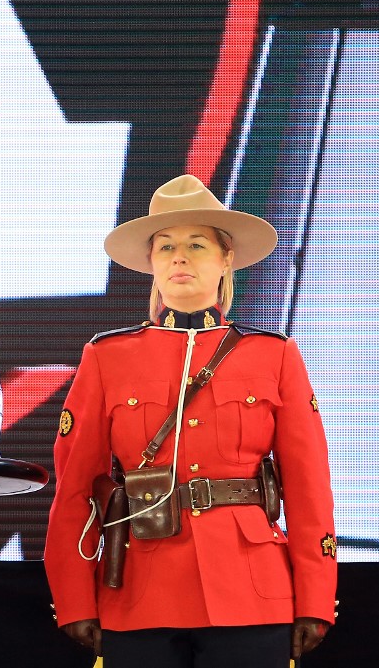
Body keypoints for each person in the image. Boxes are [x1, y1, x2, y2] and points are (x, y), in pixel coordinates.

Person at [43, 174, 337, 667]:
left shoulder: (275, 354)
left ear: (226, 258)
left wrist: (315, 595)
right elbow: (76, 488)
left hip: (251, 590)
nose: (179, 257)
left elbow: (309, 487)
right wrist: (74, 596)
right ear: (152, 263)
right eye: (166, 247)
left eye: (196, 245)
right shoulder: (107, 356)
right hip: (138, 591)